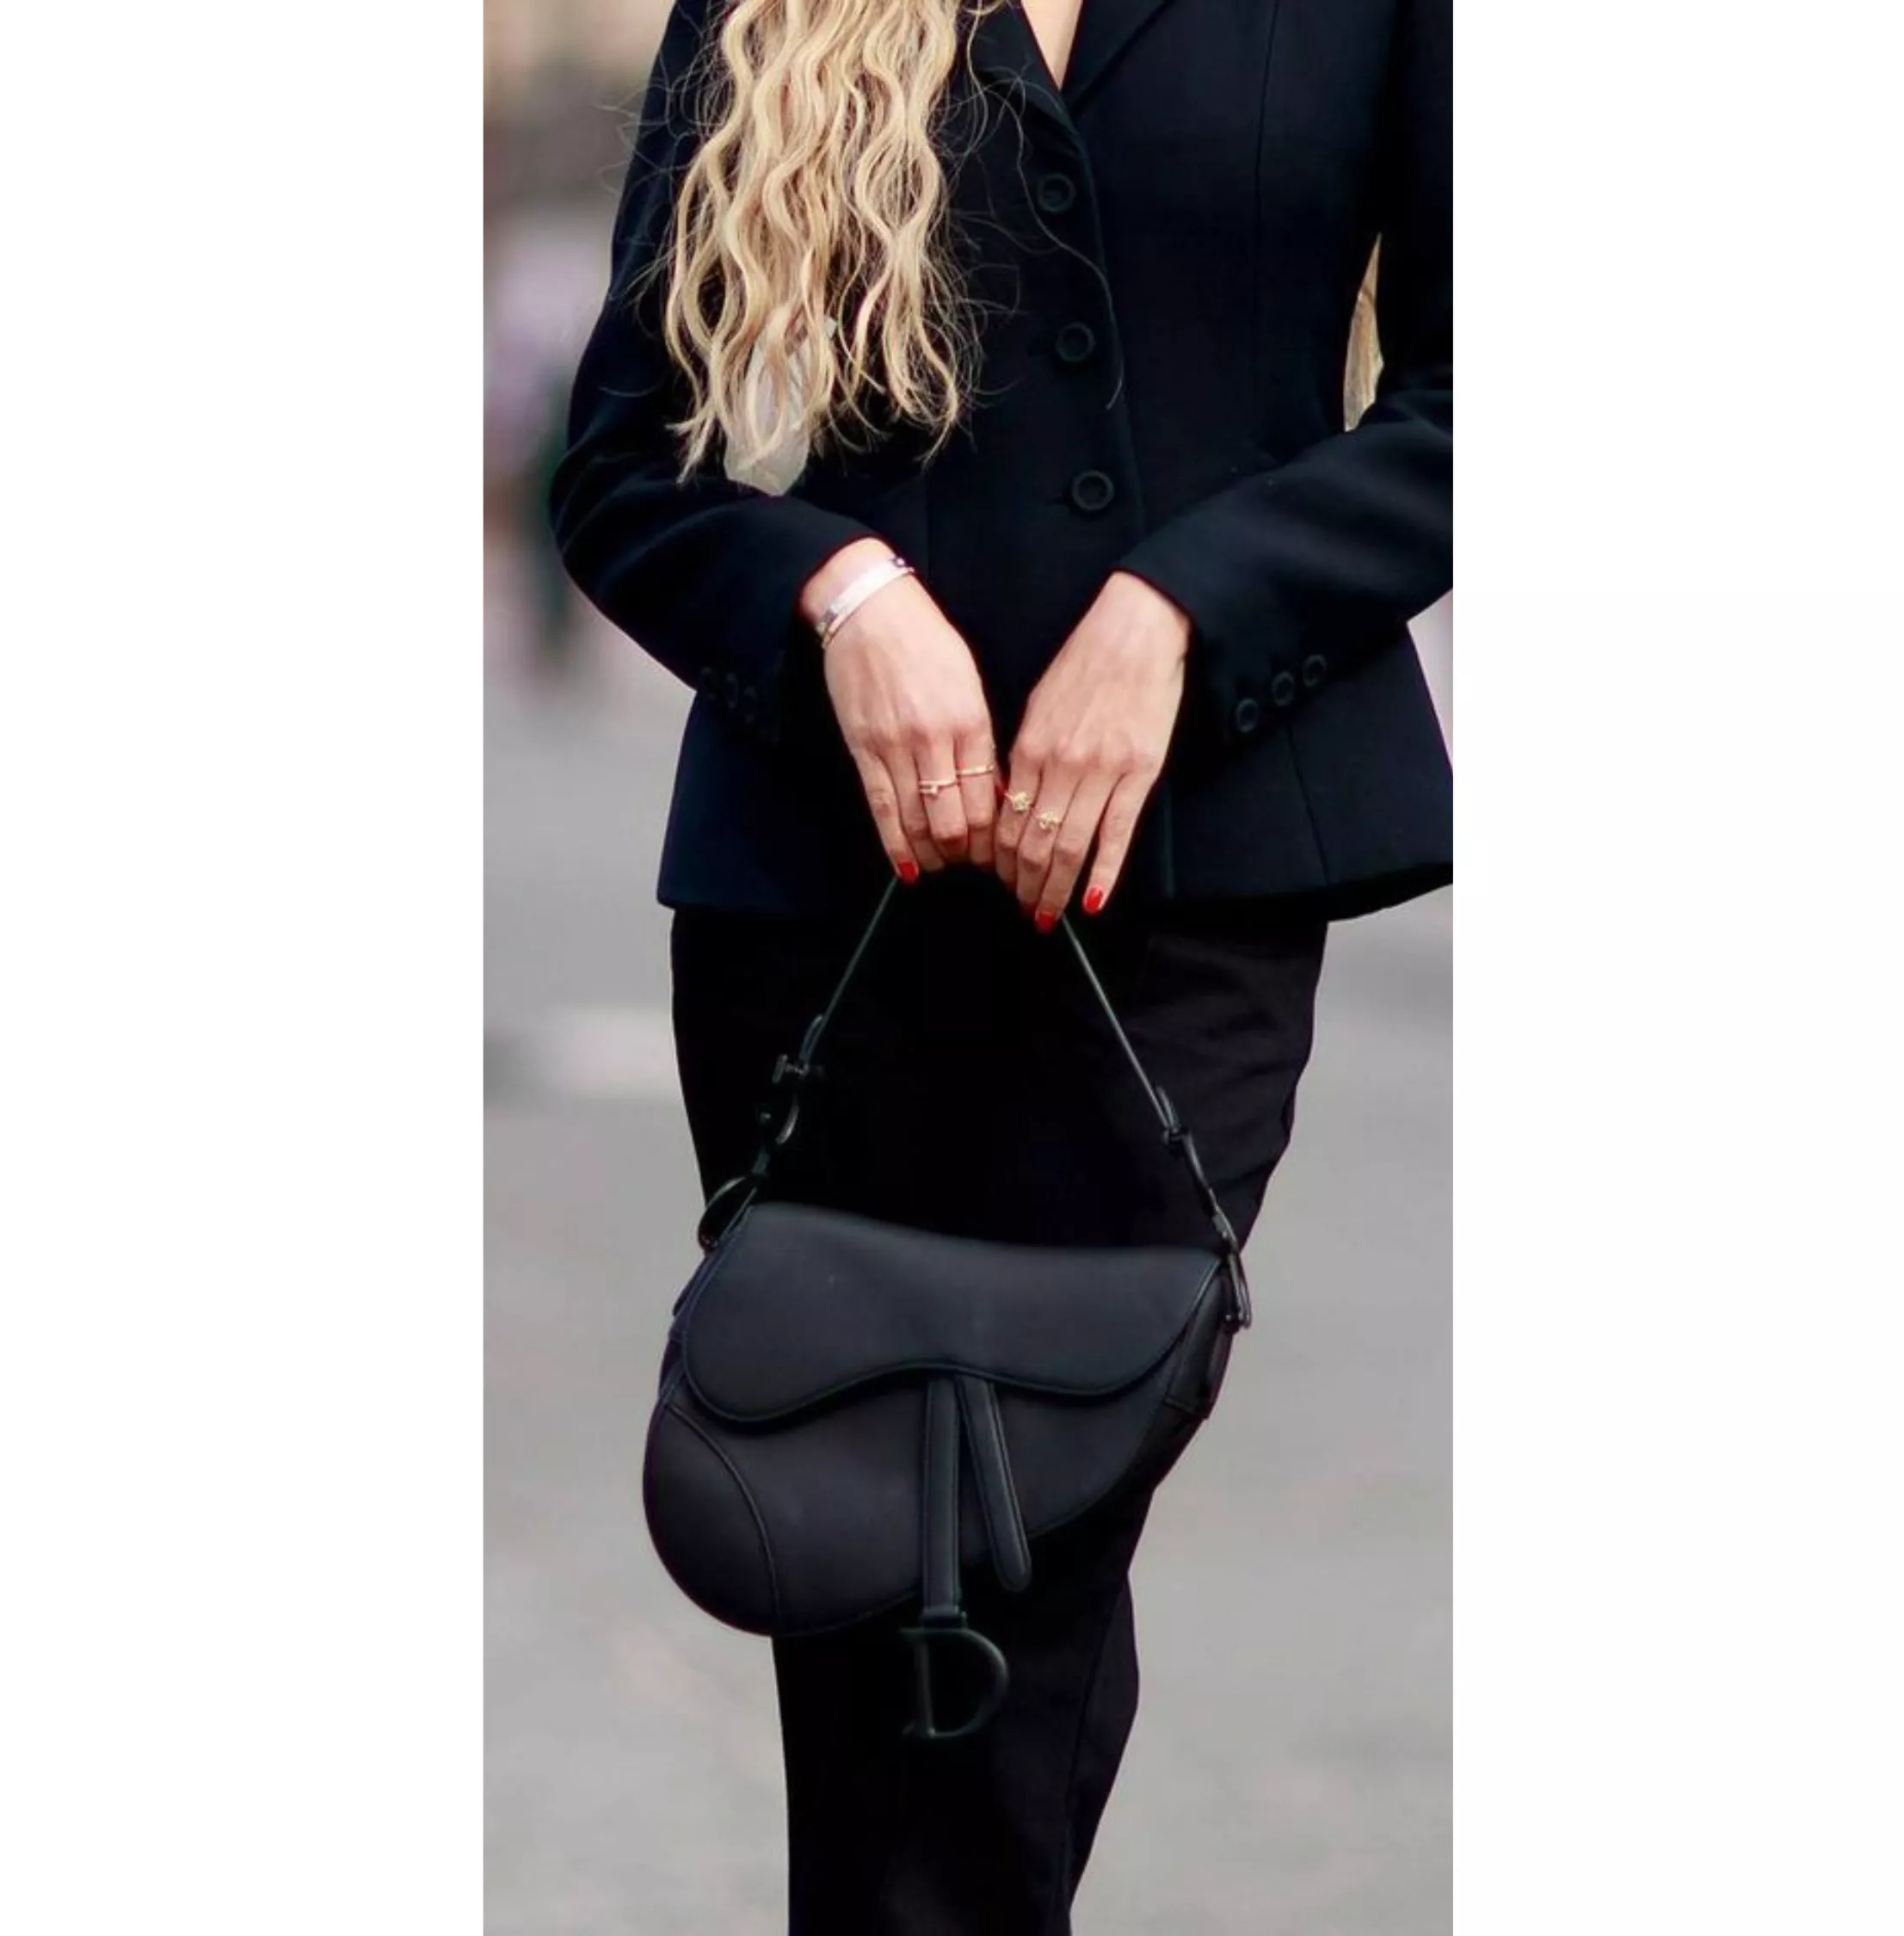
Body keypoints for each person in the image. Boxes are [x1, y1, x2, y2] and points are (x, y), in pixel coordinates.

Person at [549, 0, 1450, 1927]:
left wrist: (1187, 607)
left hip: (1186, 885)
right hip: (824, 906)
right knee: (853, 1546)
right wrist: (835, 590)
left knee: (1031, 1553)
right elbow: (621, 466)